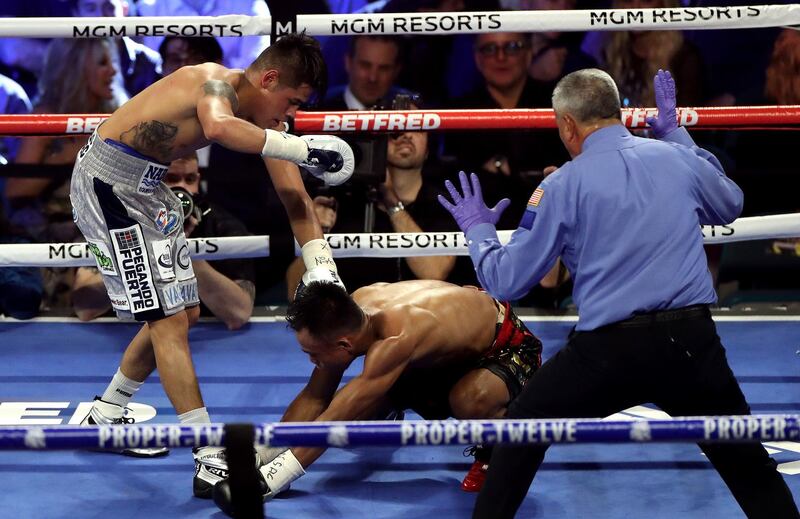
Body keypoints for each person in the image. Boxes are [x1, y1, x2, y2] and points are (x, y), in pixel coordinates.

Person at [438, 68, 799, 518]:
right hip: (689, 343)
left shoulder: (561, 185)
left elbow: (507, 282)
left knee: (522, 430)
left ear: (568, 124)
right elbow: (730, 204)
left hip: (608, 351)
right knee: (747, 462)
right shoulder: (674, 158)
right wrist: (677, 134)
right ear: (618, 112)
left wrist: (480, 232)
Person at [69, 33, 354, 499]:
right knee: (167, 323)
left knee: (186, 312)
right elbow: (219, 128)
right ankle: (207, 457)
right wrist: (302, 149)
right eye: (291, 102)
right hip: (109, 187)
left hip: (147, 188)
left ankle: (105, 414)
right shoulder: (213, 86)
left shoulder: (263, 122)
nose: (290, 117)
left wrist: (323, 268)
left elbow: (295, 197)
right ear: (268, 78)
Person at [212, 279, 543, 513]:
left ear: (343, 345)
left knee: (470, 400)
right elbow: (316, 396)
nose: (312, 361)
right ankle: (391, 401)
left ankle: (498, 449)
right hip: (442, 354)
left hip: (506, 348)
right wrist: (259, 455)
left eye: (313, 354)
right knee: (362, 410)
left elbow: (332, 419)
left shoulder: (396, 337)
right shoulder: (353, 312)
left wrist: (272, 480)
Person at [71, 152, 256, 329]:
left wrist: (180, 250)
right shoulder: (115, 219)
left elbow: (238, 314)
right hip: (128, 333)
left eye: (190, 179)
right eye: (171, 179)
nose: (182, 189)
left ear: (198, 181)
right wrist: (145, 254)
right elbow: (85, 308)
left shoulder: (220, 224)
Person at [5, 38, 119, 311]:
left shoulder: (118, 116)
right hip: (56, 229)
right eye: (102, 63)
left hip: (107, 224)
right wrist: (70, 154)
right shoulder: (47, 115)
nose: (113, 71)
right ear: (76, 69)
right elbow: (16, 190)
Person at [68, 0, 162, 99]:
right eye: (91, 9)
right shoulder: (63, 62)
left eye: (109, 8)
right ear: (76, 13)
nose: (101, 16)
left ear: (124, 10)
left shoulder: (150, 62)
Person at [320, 35, 409, 110]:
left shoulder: (411, 114)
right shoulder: (318, 110)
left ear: (396, 71)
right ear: (348, 63)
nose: (372, 78)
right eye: (365, 65)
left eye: (383, 68)